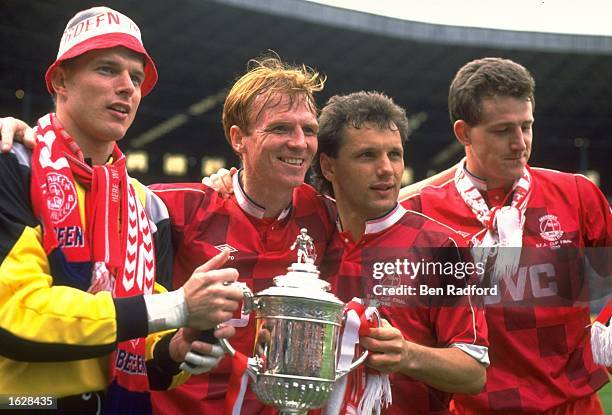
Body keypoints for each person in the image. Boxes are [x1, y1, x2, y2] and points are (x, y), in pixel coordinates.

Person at [0, 7, 242, 414]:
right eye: (107, 69)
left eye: (136, 77)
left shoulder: (149, 207)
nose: (128, 87)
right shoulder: (14, 165)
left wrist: (179, 347)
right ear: (60, 79)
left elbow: (147, 356)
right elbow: (12, 319)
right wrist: (177, 307)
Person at [404, 57, 611, 414]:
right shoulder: (421, 212)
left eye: (526, 127)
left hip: (573, 406)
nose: (520, 144)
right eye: (503, 131)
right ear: (463, 133)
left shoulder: (576, 194)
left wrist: (606, 324)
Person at [148, 57, 335, 414]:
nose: (299, 143)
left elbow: (388, 206)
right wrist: (24, 139)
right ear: (238, 138)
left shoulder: (323, 214)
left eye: (309, 130)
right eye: (280, 128)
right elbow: (93, 186)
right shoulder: (180, 208)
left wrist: (467, 168)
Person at [311, 91, 489, 414]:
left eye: (394, 154)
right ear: (328, 166)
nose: (387, 170)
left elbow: (473, 372)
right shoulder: (307, 233)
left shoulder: (443, 248)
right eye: (367, 155)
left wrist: (407, 355)